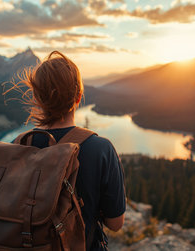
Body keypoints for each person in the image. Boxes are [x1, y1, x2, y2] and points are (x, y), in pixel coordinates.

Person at [14, 51, 126, 250]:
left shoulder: (19, 144)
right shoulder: (101, 149)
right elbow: (115, 224)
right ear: (79, 97)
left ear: (37, 98)